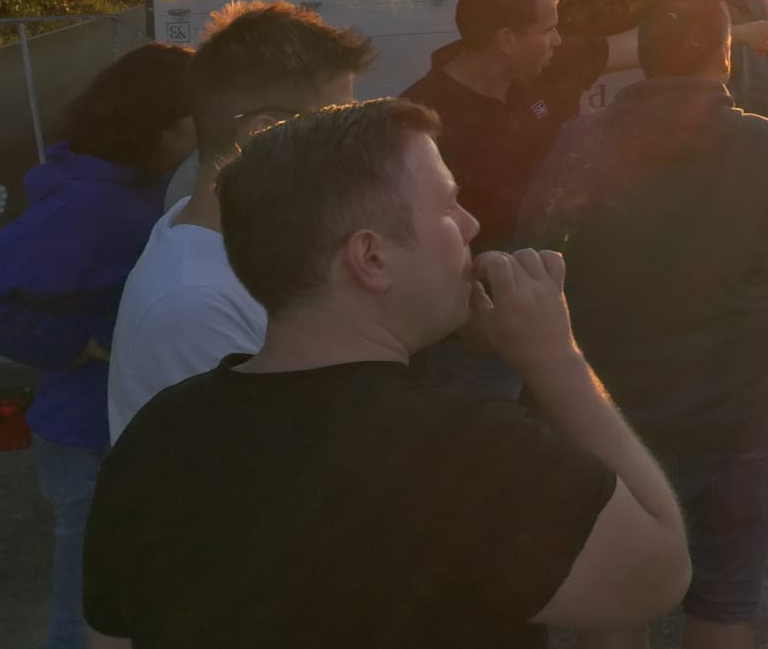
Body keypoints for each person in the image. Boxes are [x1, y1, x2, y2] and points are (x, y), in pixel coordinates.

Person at [81, 99, 692, 647]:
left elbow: (110, 638)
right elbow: (659, 572)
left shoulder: (154, 437)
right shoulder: (473, 455)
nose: (473, 226)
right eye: (448, 206)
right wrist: (557, 359)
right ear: (371, 257)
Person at [521, 0, 768, 648]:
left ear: (644, 59)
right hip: (732, 422)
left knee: (616, 608)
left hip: (606, 423)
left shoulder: (579, 147)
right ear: (724, 57)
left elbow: (533, 269)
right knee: (724, 603)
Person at [403, 0, 768, 394]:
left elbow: (635, 46)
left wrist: (729, 36)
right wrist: (472, 324)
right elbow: (411, 241)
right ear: (507, 41)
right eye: (547, 29)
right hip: (482, 331)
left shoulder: (547, 66)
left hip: (555, 303)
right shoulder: (421, 122)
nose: (557, 40)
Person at [0, 44, 195, 649]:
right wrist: (71, 344)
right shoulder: (96, 204)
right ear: (164, 128)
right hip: (88, 438)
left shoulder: (133, 186)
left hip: (110, 431)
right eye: (200, 117)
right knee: (84, 615)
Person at [107, 1, 374, 438]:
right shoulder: (196, 303)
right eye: (337, 125)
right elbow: (254, 478)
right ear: (263, 133)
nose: (355, 147)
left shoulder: (232, 243)